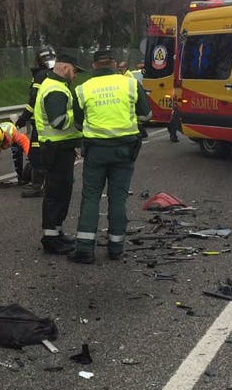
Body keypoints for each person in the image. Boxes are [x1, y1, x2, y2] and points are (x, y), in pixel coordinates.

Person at [71, 48, 151, 263]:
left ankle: (85, 249)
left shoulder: (82, 88)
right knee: (118, 198)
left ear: (94, 65)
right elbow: (146, 114)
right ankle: (116, 248)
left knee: (90, 198)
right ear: (115, 64)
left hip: (95, 151)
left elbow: (78, 123)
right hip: (124, 150)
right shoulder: (130, 83)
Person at [34, 53, 84, 254]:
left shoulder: (56, 86)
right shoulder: (56, 89)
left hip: (58, 147)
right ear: (65, 68)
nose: (76, 75)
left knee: (62, 193)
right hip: (56, 149)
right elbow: (59, 122)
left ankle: (56, 232)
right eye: (75, 71)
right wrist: (79, 112)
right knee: (56, 195)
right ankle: (51, 239)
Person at [15, 47, 56, 198]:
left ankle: (38, 186)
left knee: (36, 154)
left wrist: (22, 119)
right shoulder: (54, 75)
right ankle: (50, 183)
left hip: (40, 122)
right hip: (52, 120)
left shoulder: (40, 76)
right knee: (49, 154)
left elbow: (33, 101)